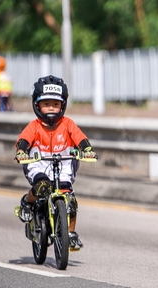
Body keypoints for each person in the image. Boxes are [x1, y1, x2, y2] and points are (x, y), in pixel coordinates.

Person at [15, 75, 97, 251]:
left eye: (56, 104)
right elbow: (23, 140)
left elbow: (80, 138)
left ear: (63, 105)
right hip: (39, 164)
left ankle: (71, 234)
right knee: (42, 186)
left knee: (71, 200)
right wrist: (21, 152)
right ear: (37, 105)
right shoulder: (34, 126)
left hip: (63, 165)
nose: (51, 108)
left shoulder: (68, 124)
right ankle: (27, 202)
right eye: (46, 104)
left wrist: (87, 149)